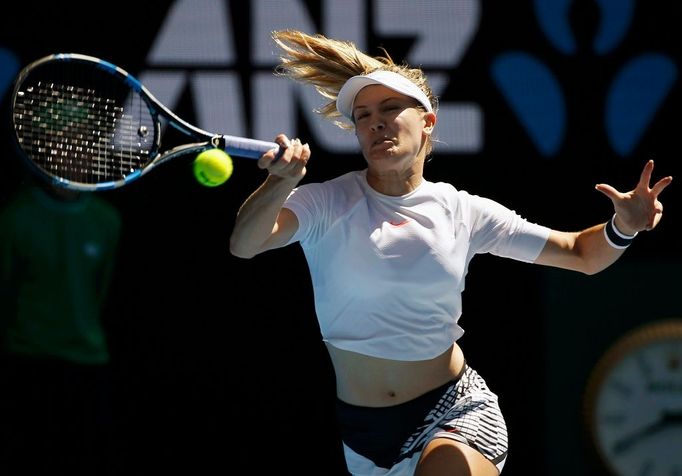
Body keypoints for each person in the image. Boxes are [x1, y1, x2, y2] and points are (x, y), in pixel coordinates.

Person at [229, 29, 672, 476]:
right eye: (363, 116)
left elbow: (582, 253)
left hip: (453, 413)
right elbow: (246, 244)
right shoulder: (325, 202)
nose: (375, 123)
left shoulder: (463, 212)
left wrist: (623, 227)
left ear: (427, 122)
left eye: (389, 109)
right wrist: (278, 184)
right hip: (364, 438)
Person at [0, 174, 122, 475]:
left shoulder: (108, 221)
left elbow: (103, 291)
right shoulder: (14, 216)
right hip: (27, 363)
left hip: (87, 366)